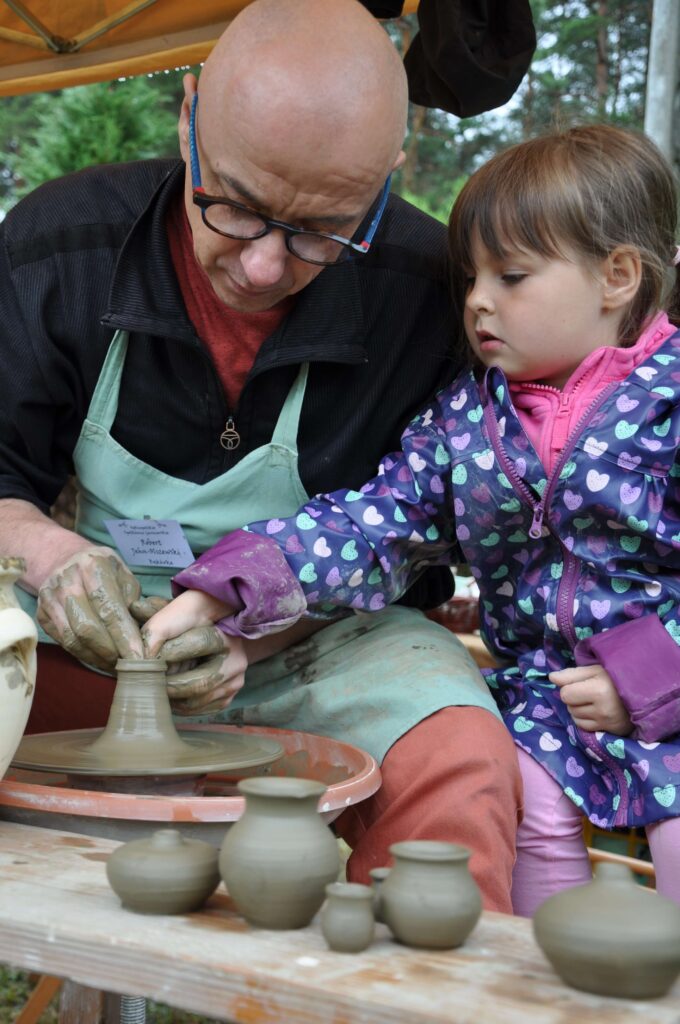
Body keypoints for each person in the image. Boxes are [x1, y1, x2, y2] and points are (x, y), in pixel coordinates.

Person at [0, 0, 525, 910]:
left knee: (461, 761)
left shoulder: (428, 293)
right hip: (76, 628)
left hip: (315, 643)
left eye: (322, 230)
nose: (264, 269)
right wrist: (50, 555)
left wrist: (268, 625)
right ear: (189, 116)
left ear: (386, 178)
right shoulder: (63, 247)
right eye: (235, 209)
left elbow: (429, 545)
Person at [144, 124, 680, 913]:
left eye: (512, 276)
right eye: (471, 279)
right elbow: (373, 524)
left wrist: (648, 680)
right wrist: (232, 586)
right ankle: (544, 986)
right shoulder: (466, 421)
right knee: (526, 805)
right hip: (543, 702)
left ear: (618, 277)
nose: (476, 302)